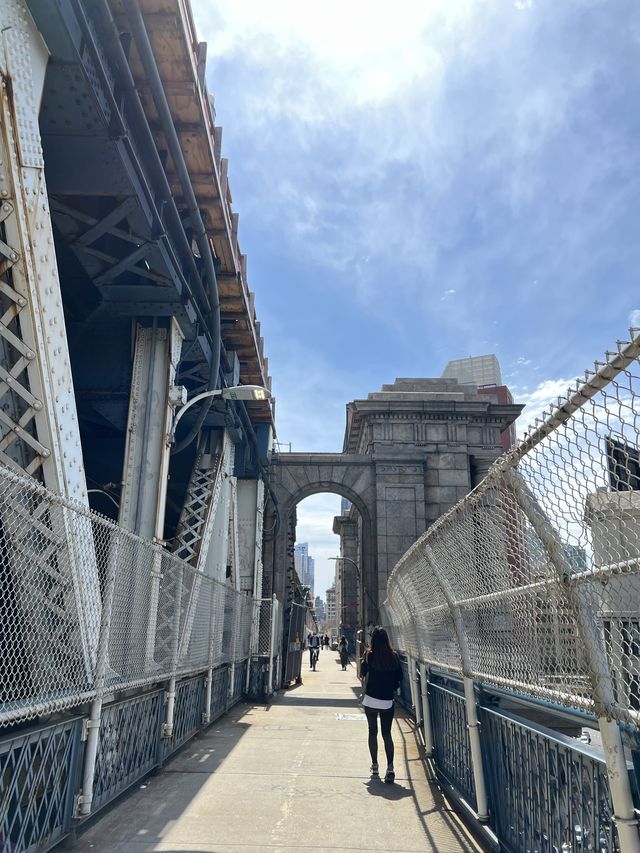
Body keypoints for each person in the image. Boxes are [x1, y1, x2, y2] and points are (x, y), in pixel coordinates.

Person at [359, 627, 403, 784]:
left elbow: (362, 674)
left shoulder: (369, 656)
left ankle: (375, 765)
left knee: (372, 732)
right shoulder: (394, 657)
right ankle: (390, 768)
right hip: (386, 701)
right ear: (387, 640)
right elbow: (400, 678)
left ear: (373, 641)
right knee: (386, 734)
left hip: (371, 699)